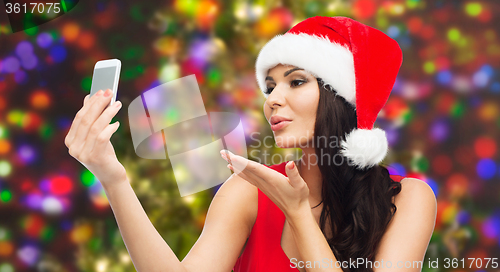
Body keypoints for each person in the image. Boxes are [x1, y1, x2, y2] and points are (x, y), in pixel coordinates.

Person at [64, 16, 437, 272]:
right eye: (269, 86)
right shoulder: (248, 192)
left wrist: (296, 213)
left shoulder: (407, 200)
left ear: (340, 96)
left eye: (295, 82)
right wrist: (113, 179)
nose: (272, 99)